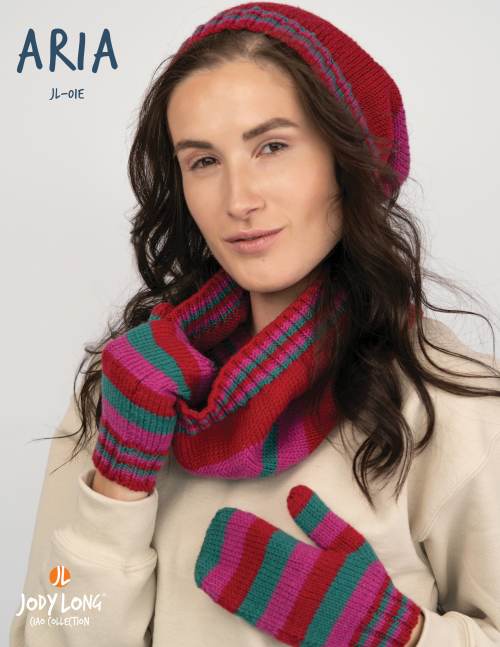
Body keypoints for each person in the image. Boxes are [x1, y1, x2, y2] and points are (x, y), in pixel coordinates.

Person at [9, 3, 500, 646]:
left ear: (347, 159)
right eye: (203, 161)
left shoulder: (448, 402)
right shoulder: (125, 389)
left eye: (272, 147)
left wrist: (395, 636)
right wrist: (119, 485)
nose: (238, 200)